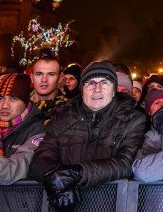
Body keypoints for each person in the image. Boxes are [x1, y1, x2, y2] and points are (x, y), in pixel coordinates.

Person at [30, 60, 146, 211]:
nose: (97, 89)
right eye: (90, 83)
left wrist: (77, 174)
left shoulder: (132, 119)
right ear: (82, 89)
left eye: (104, 82)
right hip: (65, 203)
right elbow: (40, 160)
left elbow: (125, 162)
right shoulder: (62, 116)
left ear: (113, 90)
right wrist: (58, 178)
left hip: (111, 204)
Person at [30, 55, 69, 125]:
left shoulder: (67, 110)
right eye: (39, 74)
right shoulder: (20, 102)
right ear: (32, 78)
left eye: (51, 74)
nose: (44, 79)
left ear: (59, 78)